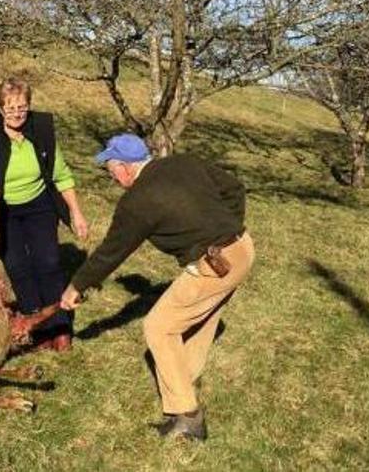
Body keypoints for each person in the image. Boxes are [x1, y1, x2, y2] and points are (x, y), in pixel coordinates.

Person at [60, 133, 255, 440]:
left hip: (216, 265)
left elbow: (112, 251)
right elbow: (234, 188)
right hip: (243, 249)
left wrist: (76, 286)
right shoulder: (182, 162)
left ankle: (189, 417)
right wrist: (227, 230)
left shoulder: (137, 201)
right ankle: (184, 381)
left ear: (124, 167)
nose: (111, 177)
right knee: (202, 321)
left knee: (158, 327)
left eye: (110, 170)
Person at [0, 77, 88, 352]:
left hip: (39, 204)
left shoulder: (42, 130)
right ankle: (36, 328)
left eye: (22, 108)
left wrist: (76, 213)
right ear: (1, 108)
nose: (17, 114)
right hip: (4, 211)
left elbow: (62, 175)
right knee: (18, 266)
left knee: (48, 262)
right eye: (11, 108)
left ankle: (60, 327)